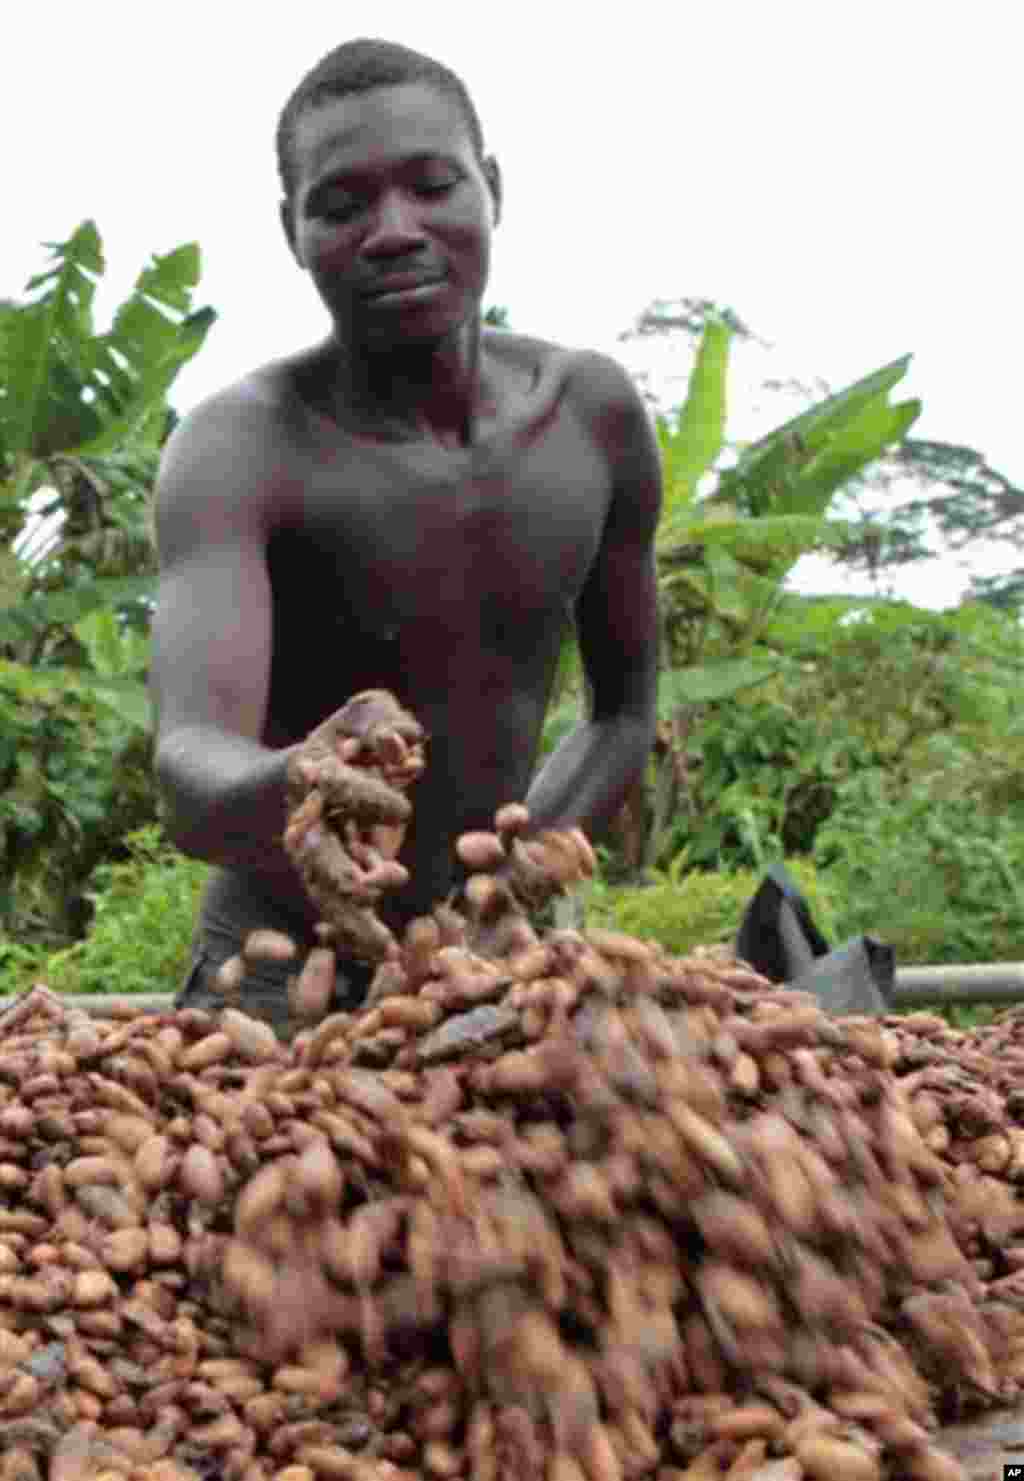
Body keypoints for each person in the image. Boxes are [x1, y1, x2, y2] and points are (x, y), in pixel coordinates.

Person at [150, 37, 662, 1032]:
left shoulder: (589, 417)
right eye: (341, 205)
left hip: (493, 956)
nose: (393, 231)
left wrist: (519, 867)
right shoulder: (239, 449)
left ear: (492, 189)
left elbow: (622, 712)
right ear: (292, 232)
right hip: (276, 970)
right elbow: (187, 765)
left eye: (432, 185)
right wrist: (291, 782)